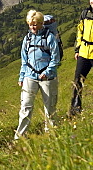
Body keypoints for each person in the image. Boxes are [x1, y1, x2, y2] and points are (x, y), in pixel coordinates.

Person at [14, 9, 61, 139]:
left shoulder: (50, 37)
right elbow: (24, 60)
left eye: (35, 24)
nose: (33, 27)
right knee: (25, 107)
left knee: (50, 107)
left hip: (48, 78)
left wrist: (47, 72)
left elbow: (55, 59)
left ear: (41, 23)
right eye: (30, 24)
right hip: (30, 76)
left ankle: (51, 134)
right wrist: (21, 77)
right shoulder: (27, 38)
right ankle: (20, 137)